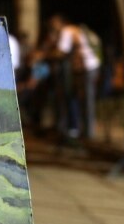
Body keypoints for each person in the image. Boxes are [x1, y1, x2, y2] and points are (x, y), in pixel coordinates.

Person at [42, 13, 101, 141]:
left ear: (60, 22)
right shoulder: (75, 29)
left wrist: (45, 55)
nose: (52, 26)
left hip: (87, 67)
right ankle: (84, 130)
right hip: (90, 66)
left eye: (54, 23)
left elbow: (61, 52)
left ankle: (88, 133)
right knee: (83, 100)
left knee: (86, 100)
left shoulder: (66, 31)